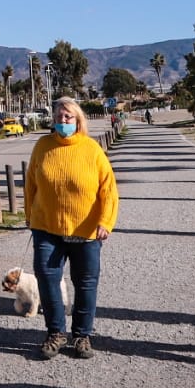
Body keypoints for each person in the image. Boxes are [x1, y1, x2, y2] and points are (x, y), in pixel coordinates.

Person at [22, 95, 118, 359]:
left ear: (78, 120)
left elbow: (108, 190)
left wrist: (106, 221)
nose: (62, 121)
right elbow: (31, 183)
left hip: (86, 231)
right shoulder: (42, 146)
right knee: (47, 279)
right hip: (47, 228)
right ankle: (55, 333)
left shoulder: (91, 149)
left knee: (86, 283)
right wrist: (29, 215)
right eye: (58, 117)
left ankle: (82, 336)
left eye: (68, 117)